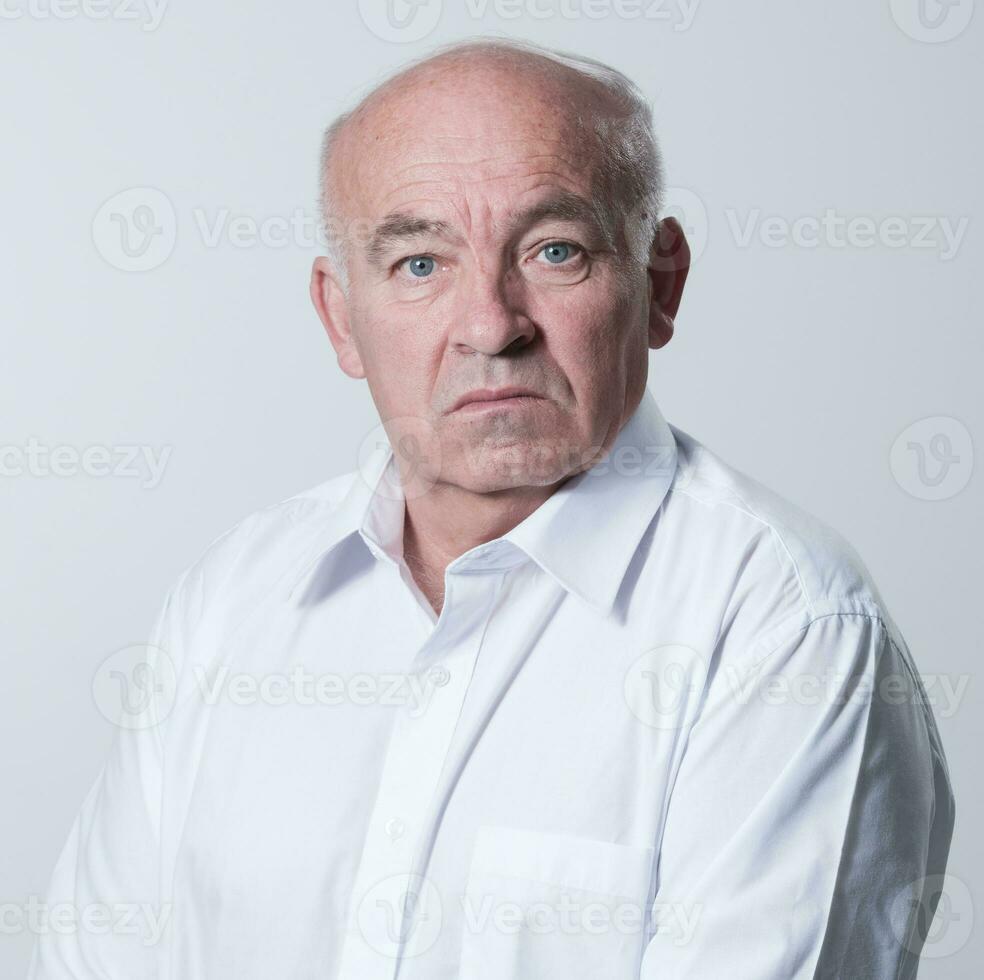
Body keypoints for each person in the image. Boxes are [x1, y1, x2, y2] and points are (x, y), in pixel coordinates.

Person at [31, 37, 954, 979]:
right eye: (420, 263)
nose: (490, 324)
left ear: (660, 283)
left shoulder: (783, 628)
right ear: (340, 318)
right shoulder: (234, 598)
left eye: (555, 250)